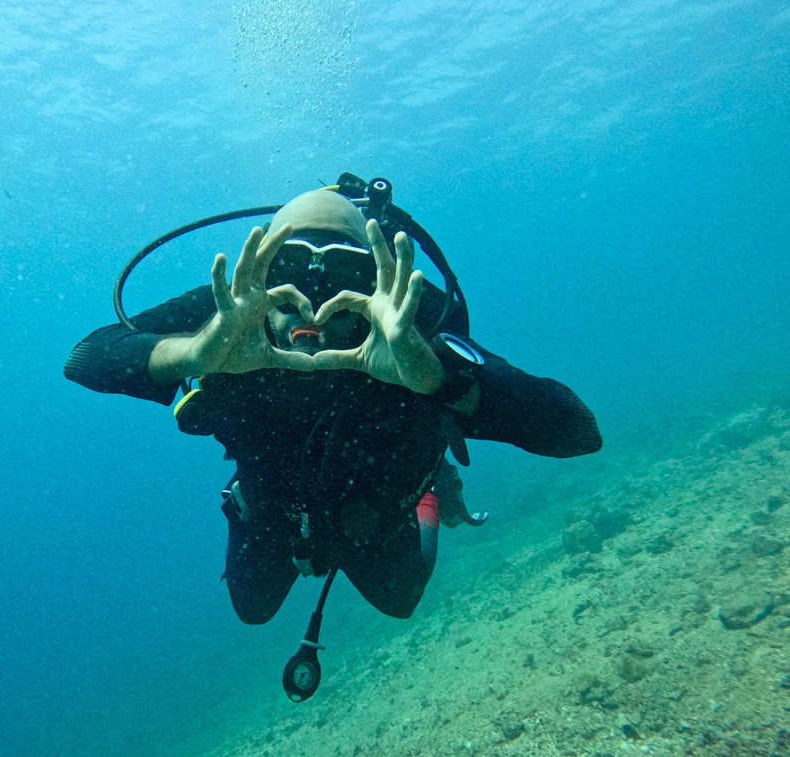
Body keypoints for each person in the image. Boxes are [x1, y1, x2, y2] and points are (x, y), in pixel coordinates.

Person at [64, 186, 601, 625]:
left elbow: (577, 431)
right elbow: (85, 357)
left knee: (401, 601)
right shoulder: (231, 313)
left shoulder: (406, 321)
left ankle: (432, 493)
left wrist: (437, 378)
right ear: (260, 270)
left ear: (372, 276)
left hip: (380, 509)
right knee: (252, 608)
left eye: (341, 272)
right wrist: (195, 351)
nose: (311, 298)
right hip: (273, 507)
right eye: (288, 268)